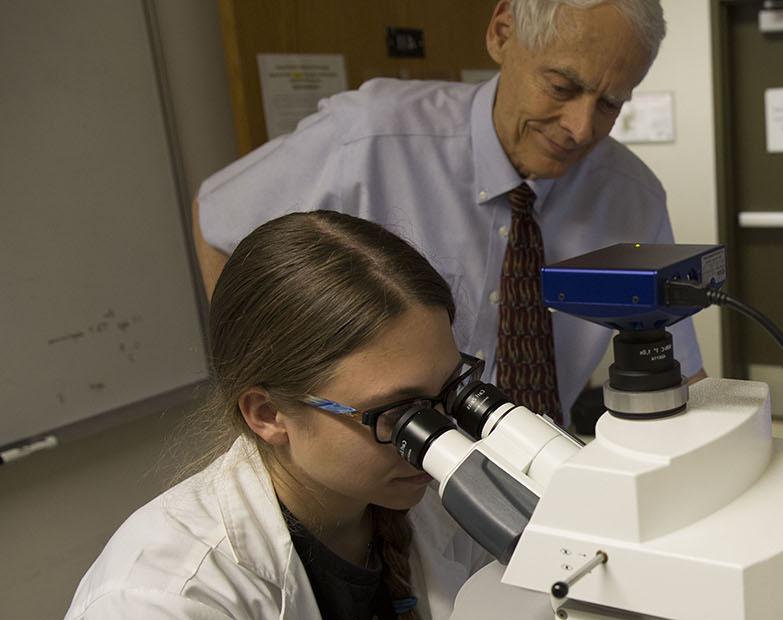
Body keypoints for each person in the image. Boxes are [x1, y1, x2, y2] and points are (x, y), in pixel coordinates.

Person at [192, 0, 703, 427]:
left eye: (611, 104)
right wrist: (270, 396)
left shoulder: (630, 195)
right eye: (561, 87)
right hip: (383, 479)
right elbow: (221, 220)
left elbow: (682, 370)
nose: (581, 128)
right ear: (502, 33)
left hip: (540, 470)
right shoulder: (371, 137)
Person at [67, 212, 492, 619]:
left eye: (450, 392)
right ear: (268, 414)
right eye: (400, 412)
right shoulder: (164, 597)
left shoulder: (437, 509)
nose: (441, 435)